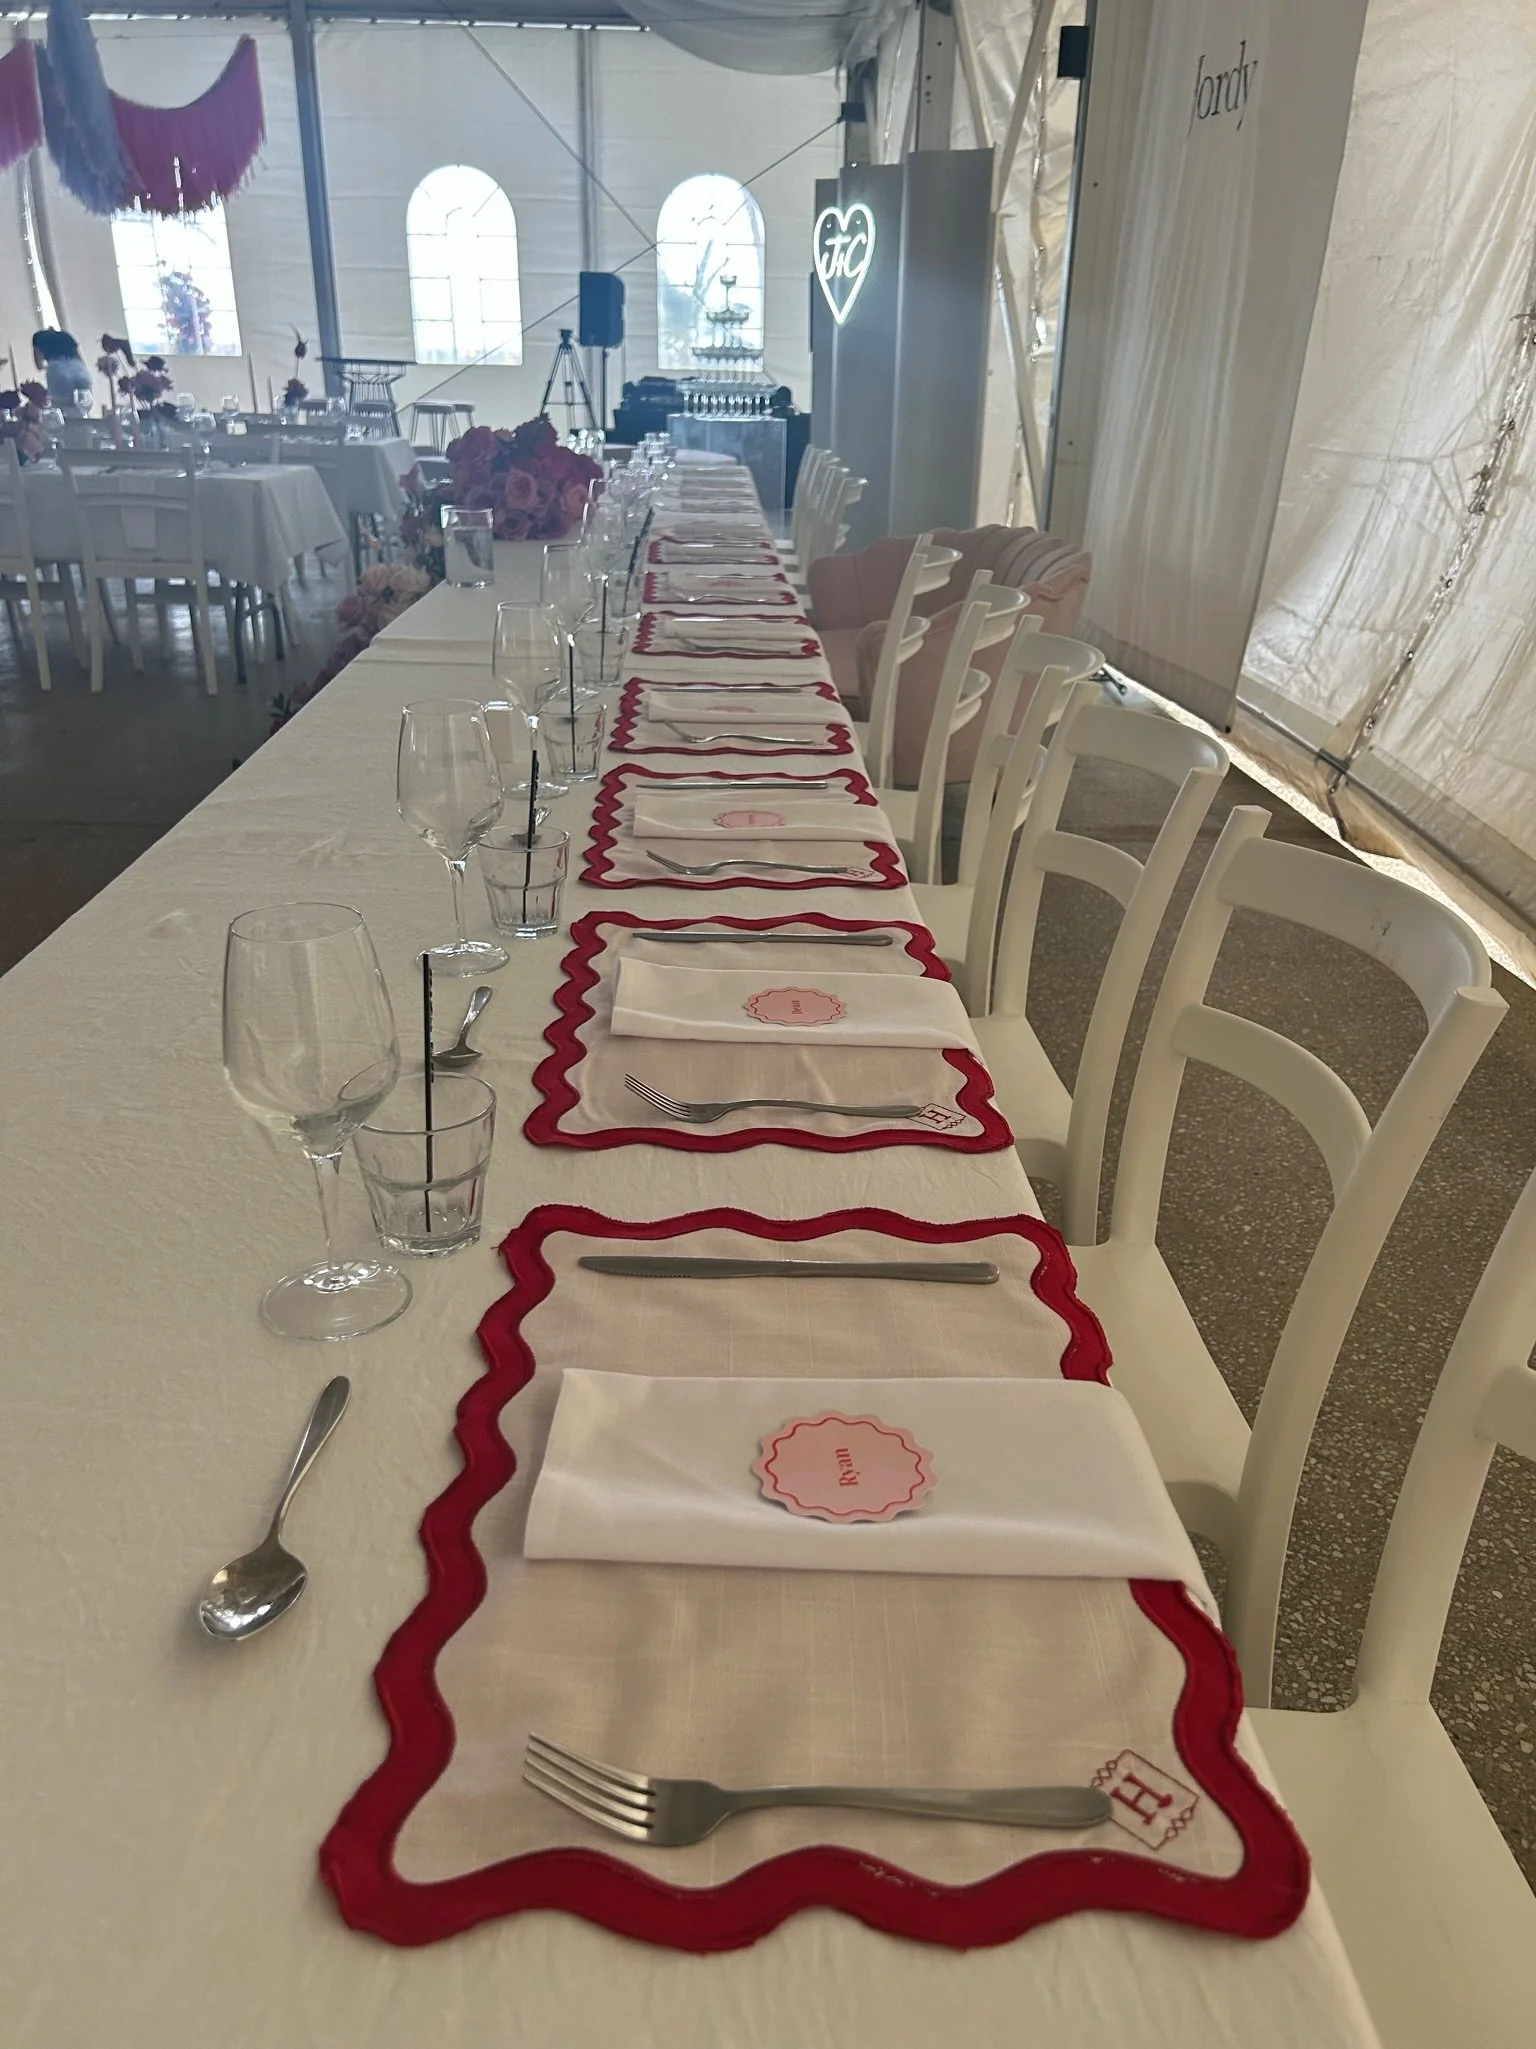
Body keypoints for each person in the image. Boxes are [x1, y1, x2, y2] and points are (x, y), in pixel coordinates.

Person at [31, 328, 92, 410]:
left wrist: (47, 367)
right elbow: (80, 359)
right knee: (83, 405)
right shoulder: (66, 335)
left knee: (62, 408)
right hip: (79, 370)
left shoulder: (38, 337)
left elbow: (39, 365)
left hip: (58, 370)